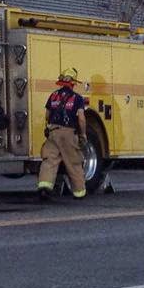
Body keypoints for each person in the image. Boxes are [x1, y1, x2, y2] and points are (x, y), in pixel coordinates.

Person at [37, 68, 88, 201]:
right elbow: (81, 119)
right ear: (73, 83)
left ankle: (44, 187)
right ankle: (79, 192)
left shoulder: (53, 96)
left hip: (53, 132)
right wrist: (83, 135)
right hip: (68, 133)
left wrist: (48, 128)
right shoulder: (77, 98)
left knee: (49, 160)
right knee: (74, 162)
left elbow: (47, 115)